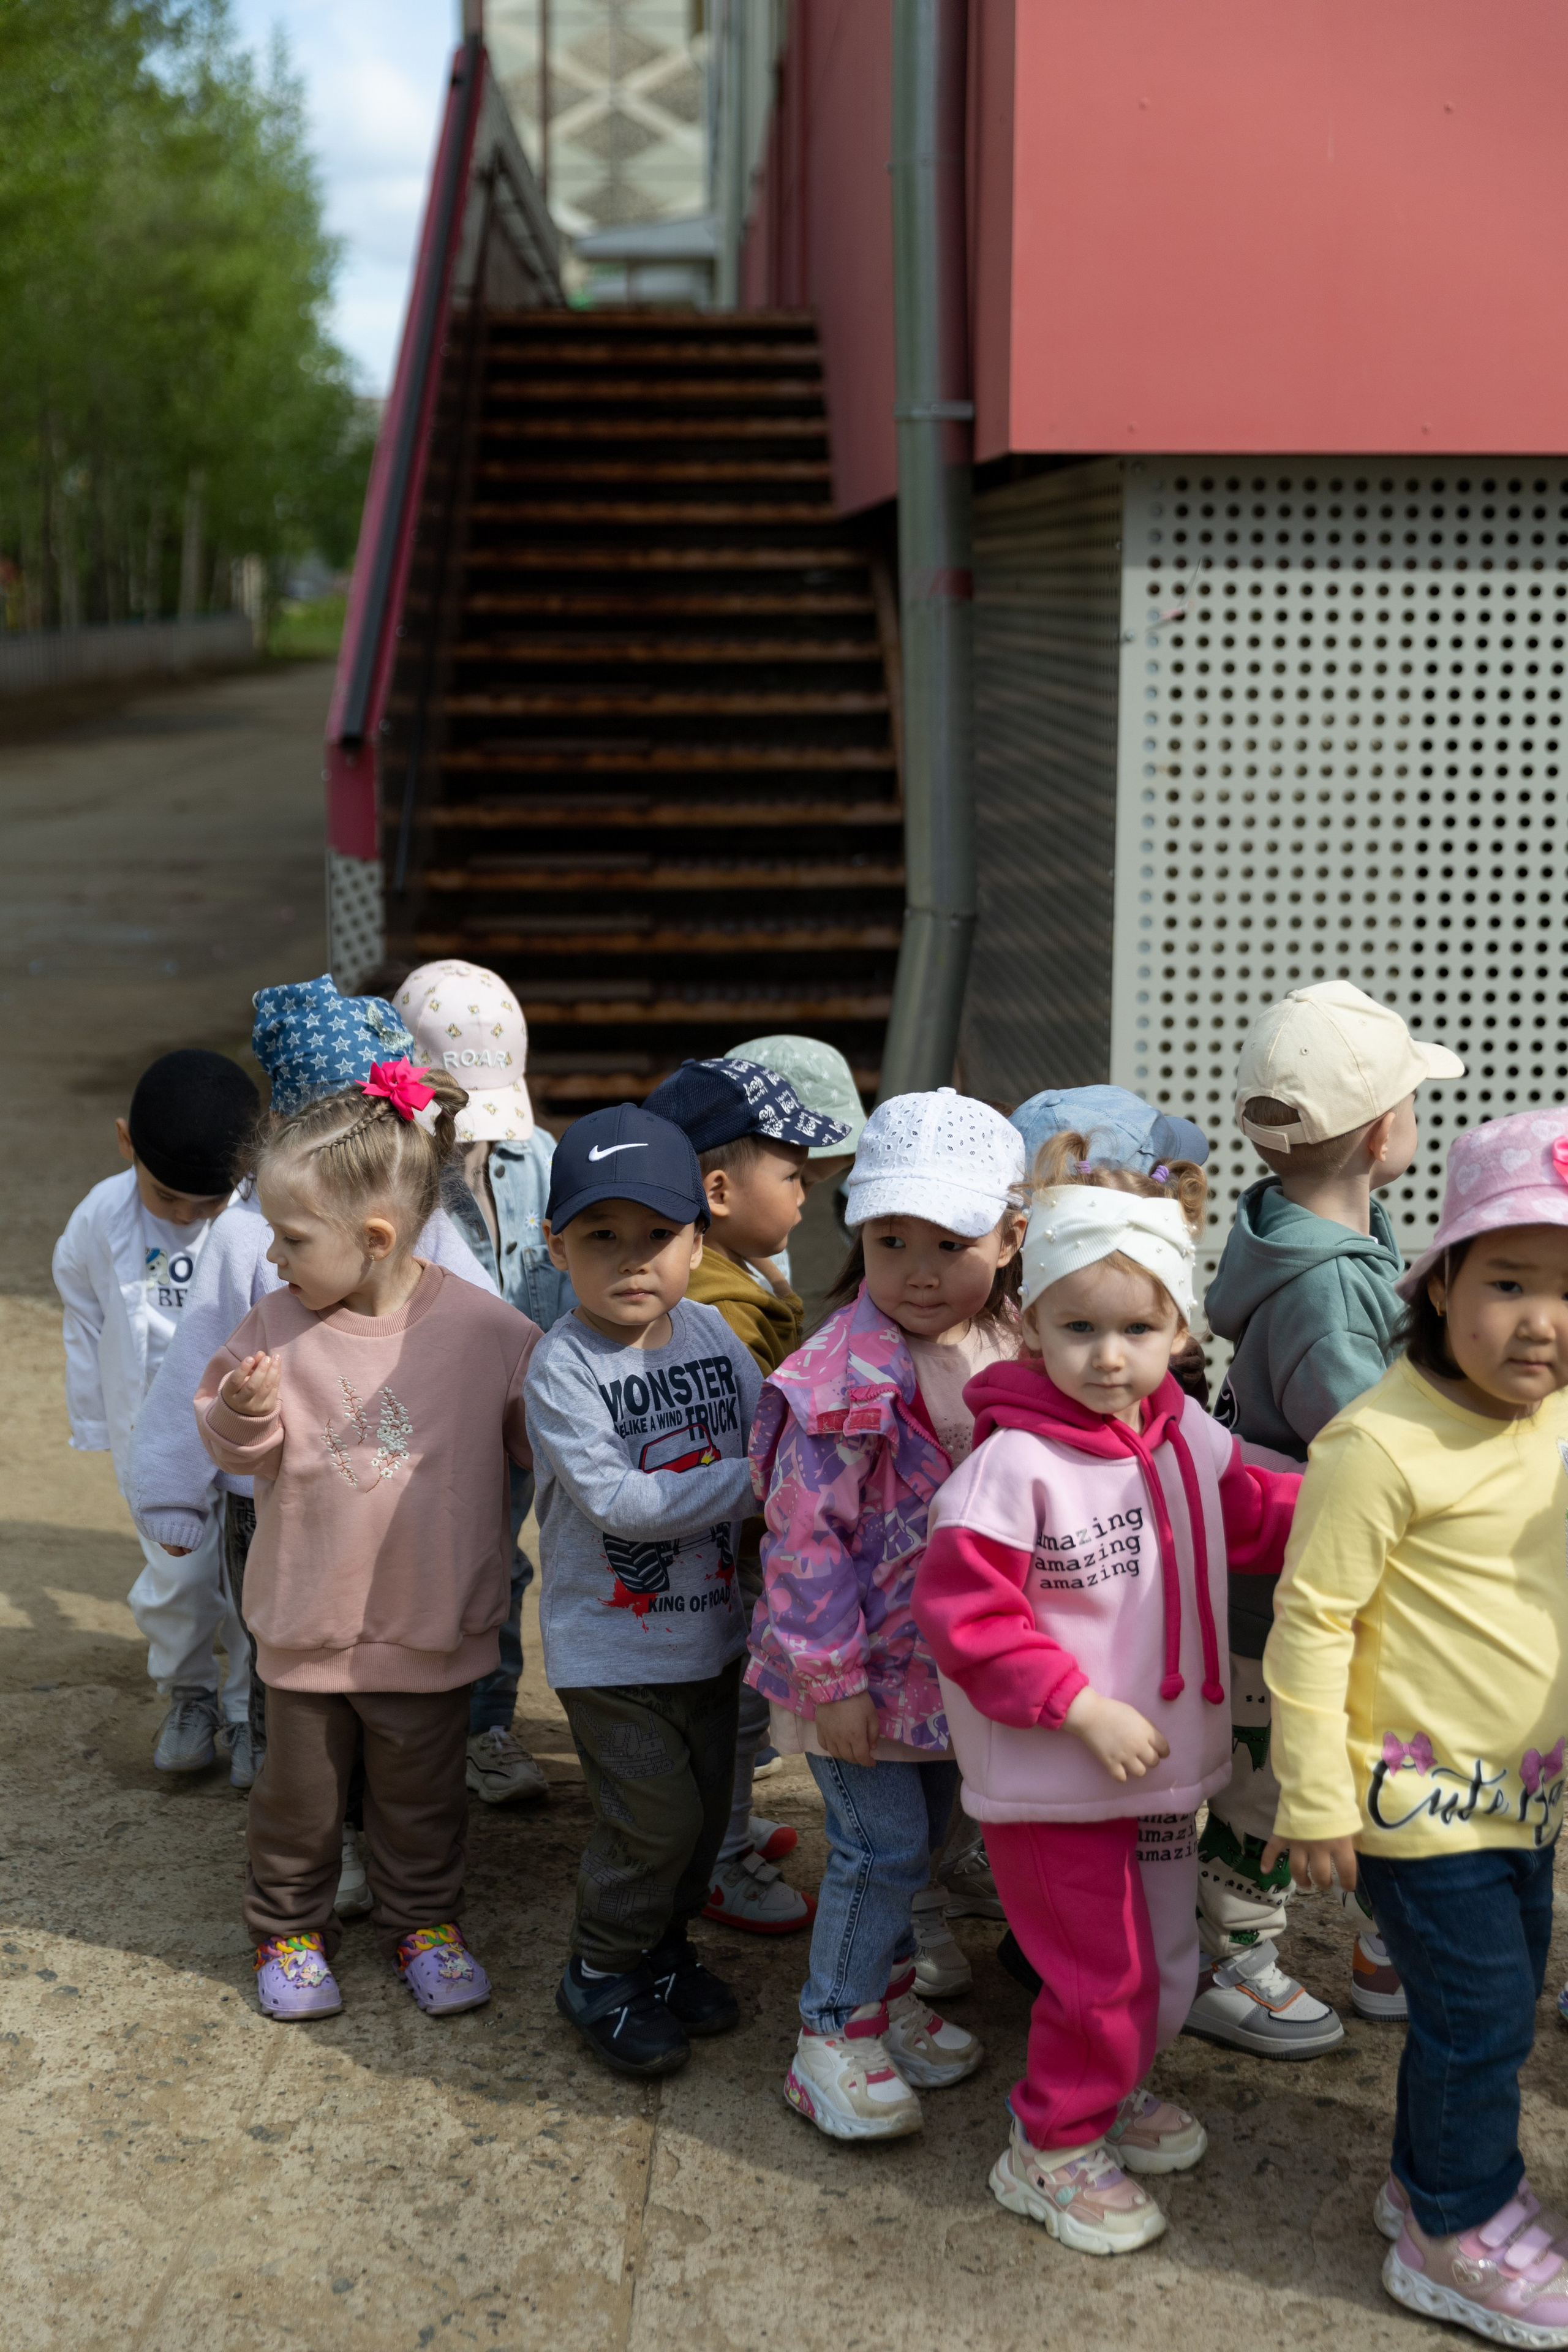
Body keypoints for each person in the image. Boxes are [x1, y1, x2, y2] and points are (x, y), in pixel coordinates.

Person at [914, 1139, 1299, 2253]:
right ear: (1030, 1326)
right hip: (1054, 1775)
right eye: (1078, 1328)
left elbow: (1261, 1510)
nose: (1110, 1356)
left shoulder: (1183, 1434)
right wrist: (1075, 1704)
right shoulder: (1010, 1470)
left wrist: (1363, 1503)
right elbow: (969, 1620)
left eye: (1138, 1329)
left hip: (1157, 1769)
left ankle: (1110, 2091)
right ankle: (1048, 2146)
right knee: (1102, 1974)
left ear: (1182, 1331)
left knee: (1162, 1961)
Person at [1262, 1108, 1568, 2345]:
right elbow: (1308, 1624)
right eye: (1506, 1283)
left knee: (1475, 2008)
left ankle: (1420, 2181)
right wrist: (1312, 1795)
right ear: (1438, 1283)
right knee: (1483, 2017)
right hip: (1410, 1802)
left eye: (1565, 1293)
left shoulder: (1552, 1419)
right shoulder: (1375, 1442)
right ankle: (1450, 2226)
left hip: (1523, 1793)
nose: (1539, 1322)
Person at [195, 1057, 539, 2022]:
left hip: (430, 1633)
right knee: (295, 1804)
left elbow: (541, 1441)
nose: (273, 1256)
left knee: (422, 1802)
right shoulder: (274, 1326)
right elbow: (235, 1446)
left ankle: (425, 1924)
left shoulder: (488, 1333)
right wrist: (240, 1408)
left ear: (375, 1237)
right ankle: (291, 1932)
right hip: (304, 1630)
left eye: (292, 1236)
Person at [131, 978, 495, 1835]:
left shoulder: (418, 1224)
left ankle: (369, 1819)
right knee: (284, 1664)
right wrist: (174, 1486)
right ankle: (297, 1796)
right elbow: (200, 1362)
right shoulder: (244, 1234)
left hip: (387, 1495)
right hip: (276, 1503)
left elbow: (493, 1332)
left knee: (383, 1665)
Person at [1194, 981, 1464, 2052]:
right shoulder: (1323, 1288)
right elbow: (1364, 1439)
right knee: (1267, 1791)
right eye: (1410, 1101)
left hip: (1318, 1576)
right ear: (1378, 1132)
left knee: (1373, 1758)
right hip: (1289, 1590)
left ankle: (1381, 1941)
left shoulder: (1309, 1242)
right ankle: (1231, 1960)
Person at [748, 1088, 1022, 2141]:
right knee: (878, 1850)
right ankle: (832, 2034)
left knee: (936, 1835)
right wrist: (834, 1687)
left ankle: (889, 1994)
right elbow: (805, 1541)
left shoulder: (1010, 1350)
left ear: (1011, 1238)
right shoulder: (837, 1381)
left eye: (948, 1242)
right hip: (856, 1678)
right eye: (889, 1237)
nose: (916, 1267)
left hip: (957, 1671)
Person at [526, 1103, 762, 2078]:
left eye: (658, 1237)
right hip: (612, 1654)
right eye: (602, 1237)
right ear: (556, 1247)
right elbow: (622, 1503)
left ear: (700, 1239)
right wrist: (760, 1480)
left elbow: (772, 1426)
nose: (632, 1261)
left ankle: (663, 1959)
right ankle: (600, 1972)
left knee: (704, 1822)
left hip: (714, 1637)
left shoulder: (710, 1330)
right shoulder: (562, 1367)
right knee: (649, 1823)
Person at [643, 1055, 850, 1935]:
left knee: (735, 1716)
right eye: (795, 1177)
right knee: (728, 1715)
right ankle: (719, 1863)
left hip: (738, 1550)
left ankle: (723, 1830)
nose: (806, 1198)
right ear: (719, 1190)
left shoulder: (741, 1275)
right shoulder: (716, 1308)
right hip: (725, 1556)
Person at [398, 957, 573, 1807]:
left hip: (532, 1399)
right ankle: (431, 1726)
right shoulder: (399, 1170)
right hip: (434, 1408)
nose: (477, 1135)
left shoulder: (536, 1159)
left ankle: (489, 1725)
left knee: (504, 1565)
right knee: (434, 1565)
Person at [55, 1049, 259, 1771]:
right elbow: (83, 1320)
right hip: (152, 1431)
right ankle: (189, 1693)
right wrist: (95, 1425)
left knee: (250, 1572)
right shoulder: (98, 1220)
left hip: (240, 1430)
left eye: (207, 1204)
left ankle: (246, 1713)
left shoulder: (260, 1216)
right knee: (177, 1575)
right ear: (125, 1143)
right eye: (168, 1198)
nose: (186, 1216)